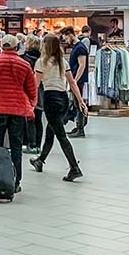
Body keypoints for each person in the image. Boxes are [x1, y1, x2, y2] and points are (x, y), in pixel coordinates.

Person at [0, 34, 37, 192]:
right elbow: (32, 90)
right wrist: (31, 106)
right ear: (16, 47)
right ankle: (16, 181)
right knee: (16, 146)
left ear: (2, 46)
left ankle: (0, 177)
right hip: (18, 110)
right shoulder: (24, 64)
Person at [30, 33, 86, 181]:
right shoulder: (63, 62)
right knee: (51, 131)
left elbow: (35, 85)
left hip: (51, 99)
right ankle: (40, 160)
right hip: (63, 99)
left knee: (60, 135)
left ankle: (74, 167)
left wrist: (30, 103)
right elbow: (72, 82)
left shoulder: (41, 62)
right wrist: (80, 101)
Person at [20, 34, 44, 155]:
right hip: (41, 92)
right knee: (38, 119)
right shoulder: (42, 58)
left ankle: (30, 143)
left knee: (29, 119)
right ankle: (38, 145)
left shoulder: (24, 59)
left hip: (29, 91)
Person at [63, 27, 88, 138]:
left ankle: (81, 129)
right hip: (76, 80)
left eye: (66, 38)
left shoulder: (80, 48)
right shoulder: (76, 47)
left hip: (79, 80)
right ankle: (78, 127)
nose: (66, 41)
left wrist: (75, 80)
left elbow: (82, 65)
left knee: (79, 103)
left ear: (70, 35)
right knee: (77, 103)